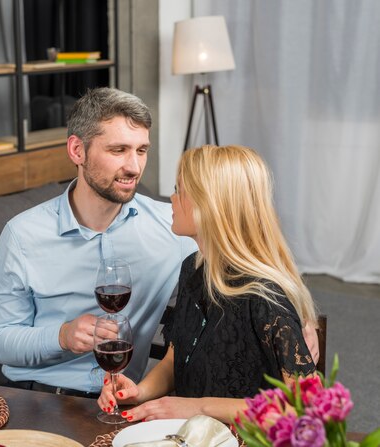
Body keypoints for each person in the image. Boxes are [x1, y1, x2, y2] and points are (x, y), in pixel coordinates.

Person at [0, 87, 198, 397]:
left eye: (141, 150)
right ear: (77, 151)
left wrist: (293, 311)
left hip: (122, 401)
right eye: (118, 150)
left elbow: (240, 255)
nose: (134, 167)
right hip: (38, 398)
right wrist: (62, 335)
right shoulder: (23, 234)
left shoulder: (172, 226)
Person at [97, 144, 318, 422]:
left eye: (180, 190)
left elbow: (308, 409)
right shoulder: (193, 269)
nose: (172, 199)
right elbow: (174, 361)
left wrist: (198, 407)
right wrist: (139, 392)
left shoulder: (264, 297)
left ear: (210, 205)